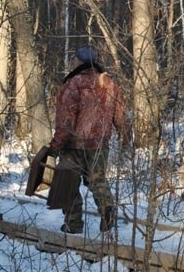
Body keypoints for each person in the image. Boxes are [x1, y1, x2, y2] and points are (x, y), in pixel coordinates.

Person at [49, 46, 129, 234]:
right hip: (100, 144)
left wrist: (56, 146)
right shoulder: (109, 83)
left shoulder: (73, 84)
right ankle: (107, 208)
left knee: (69, 183)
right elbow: (121, 116)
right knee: (97, 180)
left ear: (79, 62)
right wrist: (125, 138)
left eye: (74, 59)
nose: (72, 62)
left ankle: (73, 223)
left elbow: (65, 120)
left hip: (74, 144)